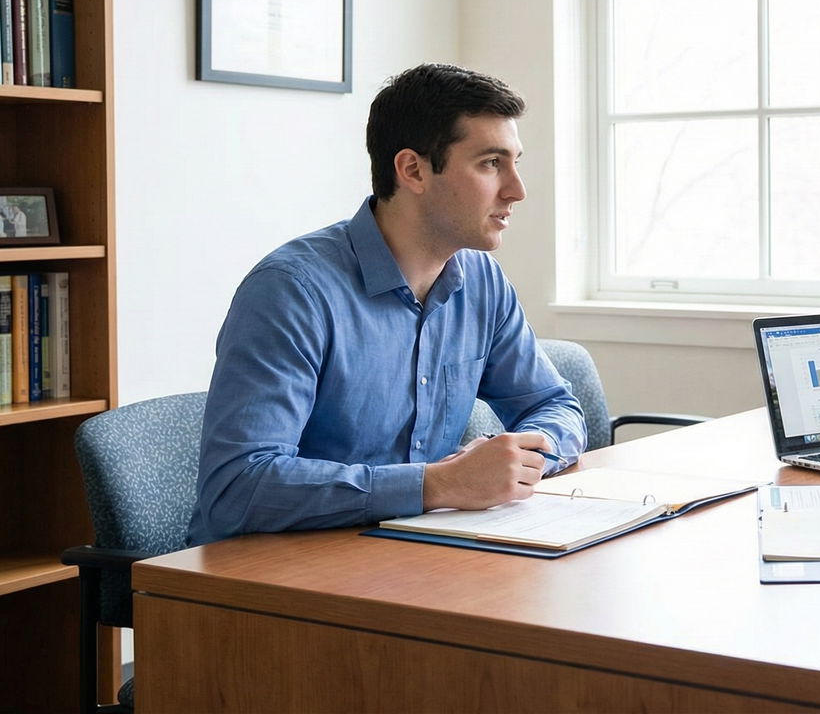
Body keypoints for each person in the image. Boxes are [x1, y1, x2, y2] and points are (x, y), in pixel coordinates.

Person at [189, 63, 586, 546]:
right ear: (413, 170)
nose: (516, 190)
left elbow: (553, 405)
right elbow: (237, 489)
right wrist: (439, 483)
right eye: (490, 163)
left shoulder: (482, 282)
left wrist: (524, 459)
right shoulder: (292, 291)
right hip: (267, 580)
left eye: (515, 162)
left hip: (410, 554)